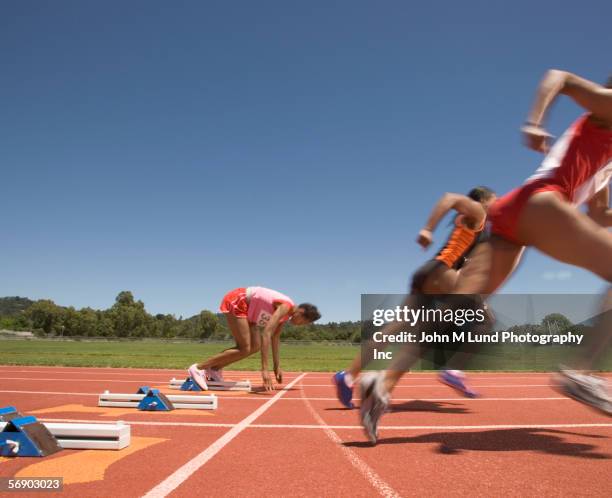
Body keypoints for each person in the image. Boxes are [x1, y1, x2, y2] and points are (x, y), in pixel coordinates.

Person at [360, 70, 612, 443]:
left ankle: (382, 381)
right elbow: (560, 77)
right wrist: (534, 123)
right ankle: (582, 371)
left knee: (459, 308)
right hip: (542, 203)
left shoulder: (607, 165)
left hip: (515, 215)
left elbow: (599, 216)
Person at [333, 186, 497, 408]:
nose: (496, 206)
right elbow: (449, 197)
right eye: (494, 201)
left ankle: (349, 375)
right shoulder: (478, 211)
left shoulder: (470, 222)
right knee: (485, 319)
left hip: (427, 273)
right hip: (443, 274)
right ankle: (453, 370)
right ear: (484, 200)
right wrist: (427, 229)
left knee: (398, 325)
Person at [189, 286, 320, 391]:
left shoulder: (285, 316)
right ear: (301, 313)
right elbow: (266, 333)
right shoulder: (286, 307)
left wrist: (277, 366)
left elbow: (275, 338)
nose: (299, 325)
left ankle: (213, 369)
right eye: (303, 322)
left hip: (251, 315)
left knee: (255, 346)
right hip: (238, 299)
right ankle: (199, 368)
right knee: (244, 348)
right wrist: (264, 370)